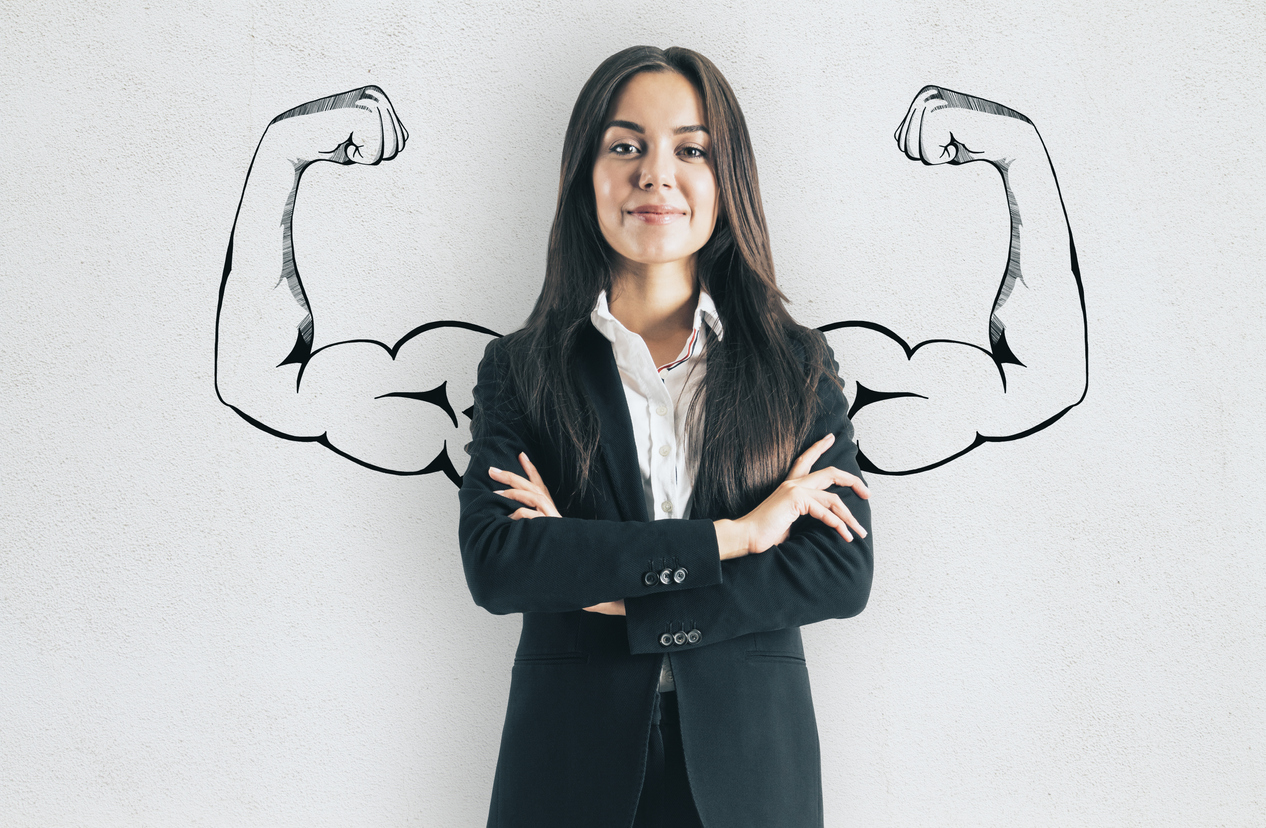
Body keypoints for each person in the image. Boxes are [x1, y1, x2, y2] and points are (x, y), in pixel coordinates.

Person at [458, 46, 873, 828]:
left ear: (727, 180)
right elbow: (501, 565)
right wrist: (739, 536)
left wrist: (607, 583)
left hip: (752, 774)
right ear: (587, 175)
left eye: (690, 148)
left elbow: (836, 571)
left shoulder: (795, 365)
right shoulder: (521, 367)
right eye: (625, 147)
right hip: (567, 773)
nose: (655, 174)